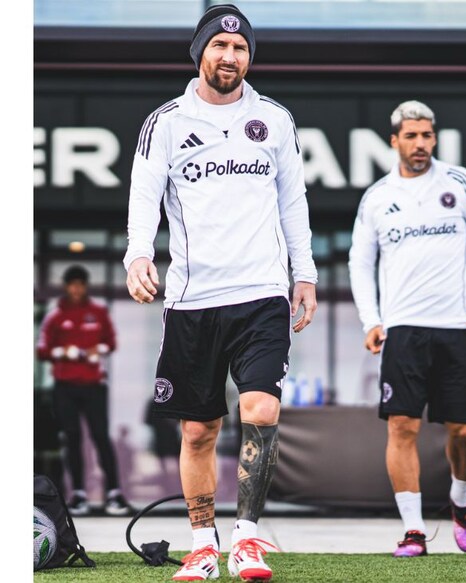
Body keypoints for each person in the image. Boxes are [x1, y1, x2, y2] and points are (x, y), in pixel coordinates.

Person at [123, 4, 317, 580]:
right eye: (219, 47)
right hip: (192, 297)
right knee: (199, 429)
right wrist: (138, 253)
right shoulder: (166, 122)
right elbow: (144, 196)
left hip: (261, 293)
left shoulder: (276, 121)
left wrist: (302, 273)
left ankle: (247, 541)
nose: (230, 57)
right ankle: (204, 544)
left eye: (240, 49)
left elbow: (293, 203)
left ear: (248, 57)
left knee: (260, 407)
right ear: (200, 53)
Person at [349, 100, 466, 557]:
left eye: (428, 136)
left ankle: (461, 498)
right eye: (412, 136)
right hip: (402, 330)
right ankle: (414, 531)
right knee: (401, 427)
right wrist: (372, 319)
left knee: (464, 432)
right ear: (394, 140)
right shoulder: (377, 197)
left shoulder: (460, 183)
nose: (421, 144)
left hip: (456, 327)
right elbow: (360, 261)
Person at [36, 265, 133, 517]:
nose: (76, 288)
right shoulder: (56, 314)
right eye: (72, 284)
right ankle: (78, 493)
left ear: (85, 286)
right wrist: (63, 351)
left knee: (101, 436)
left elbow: (110, 343)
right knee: (72, 438)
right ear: (67, 286)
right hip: (65, 387)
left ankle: (114, 494)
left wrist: (96, 349)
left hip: (93, 385)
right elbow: (42, 349)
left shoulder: (98, 312)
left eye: (81, 284)